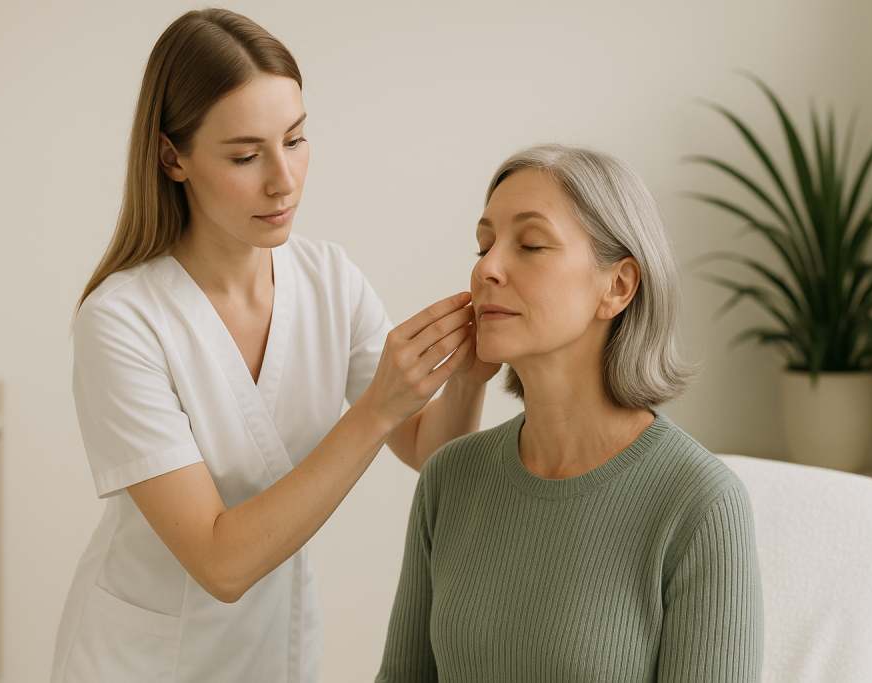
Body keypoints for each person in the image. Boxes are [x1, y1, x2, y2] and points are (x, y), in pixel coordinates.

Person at [50, 9, 499, 683]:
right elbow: (219, 561)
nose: (283, 179)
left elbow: (429, 450)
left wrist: (466, 379)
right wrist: (376, 408)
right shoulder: (122, 321)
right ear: (174, 157)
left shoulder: (328, 281)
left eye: (295, 139)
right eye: (245, 155)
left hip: (275, 651)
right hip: (142, 661)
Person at [376, 144, 764, 682]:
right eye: (483, 246)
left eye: (530, 244)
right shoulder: (450, 478)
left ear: (618, 286)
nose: (487, 268)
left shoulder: (699, 503)